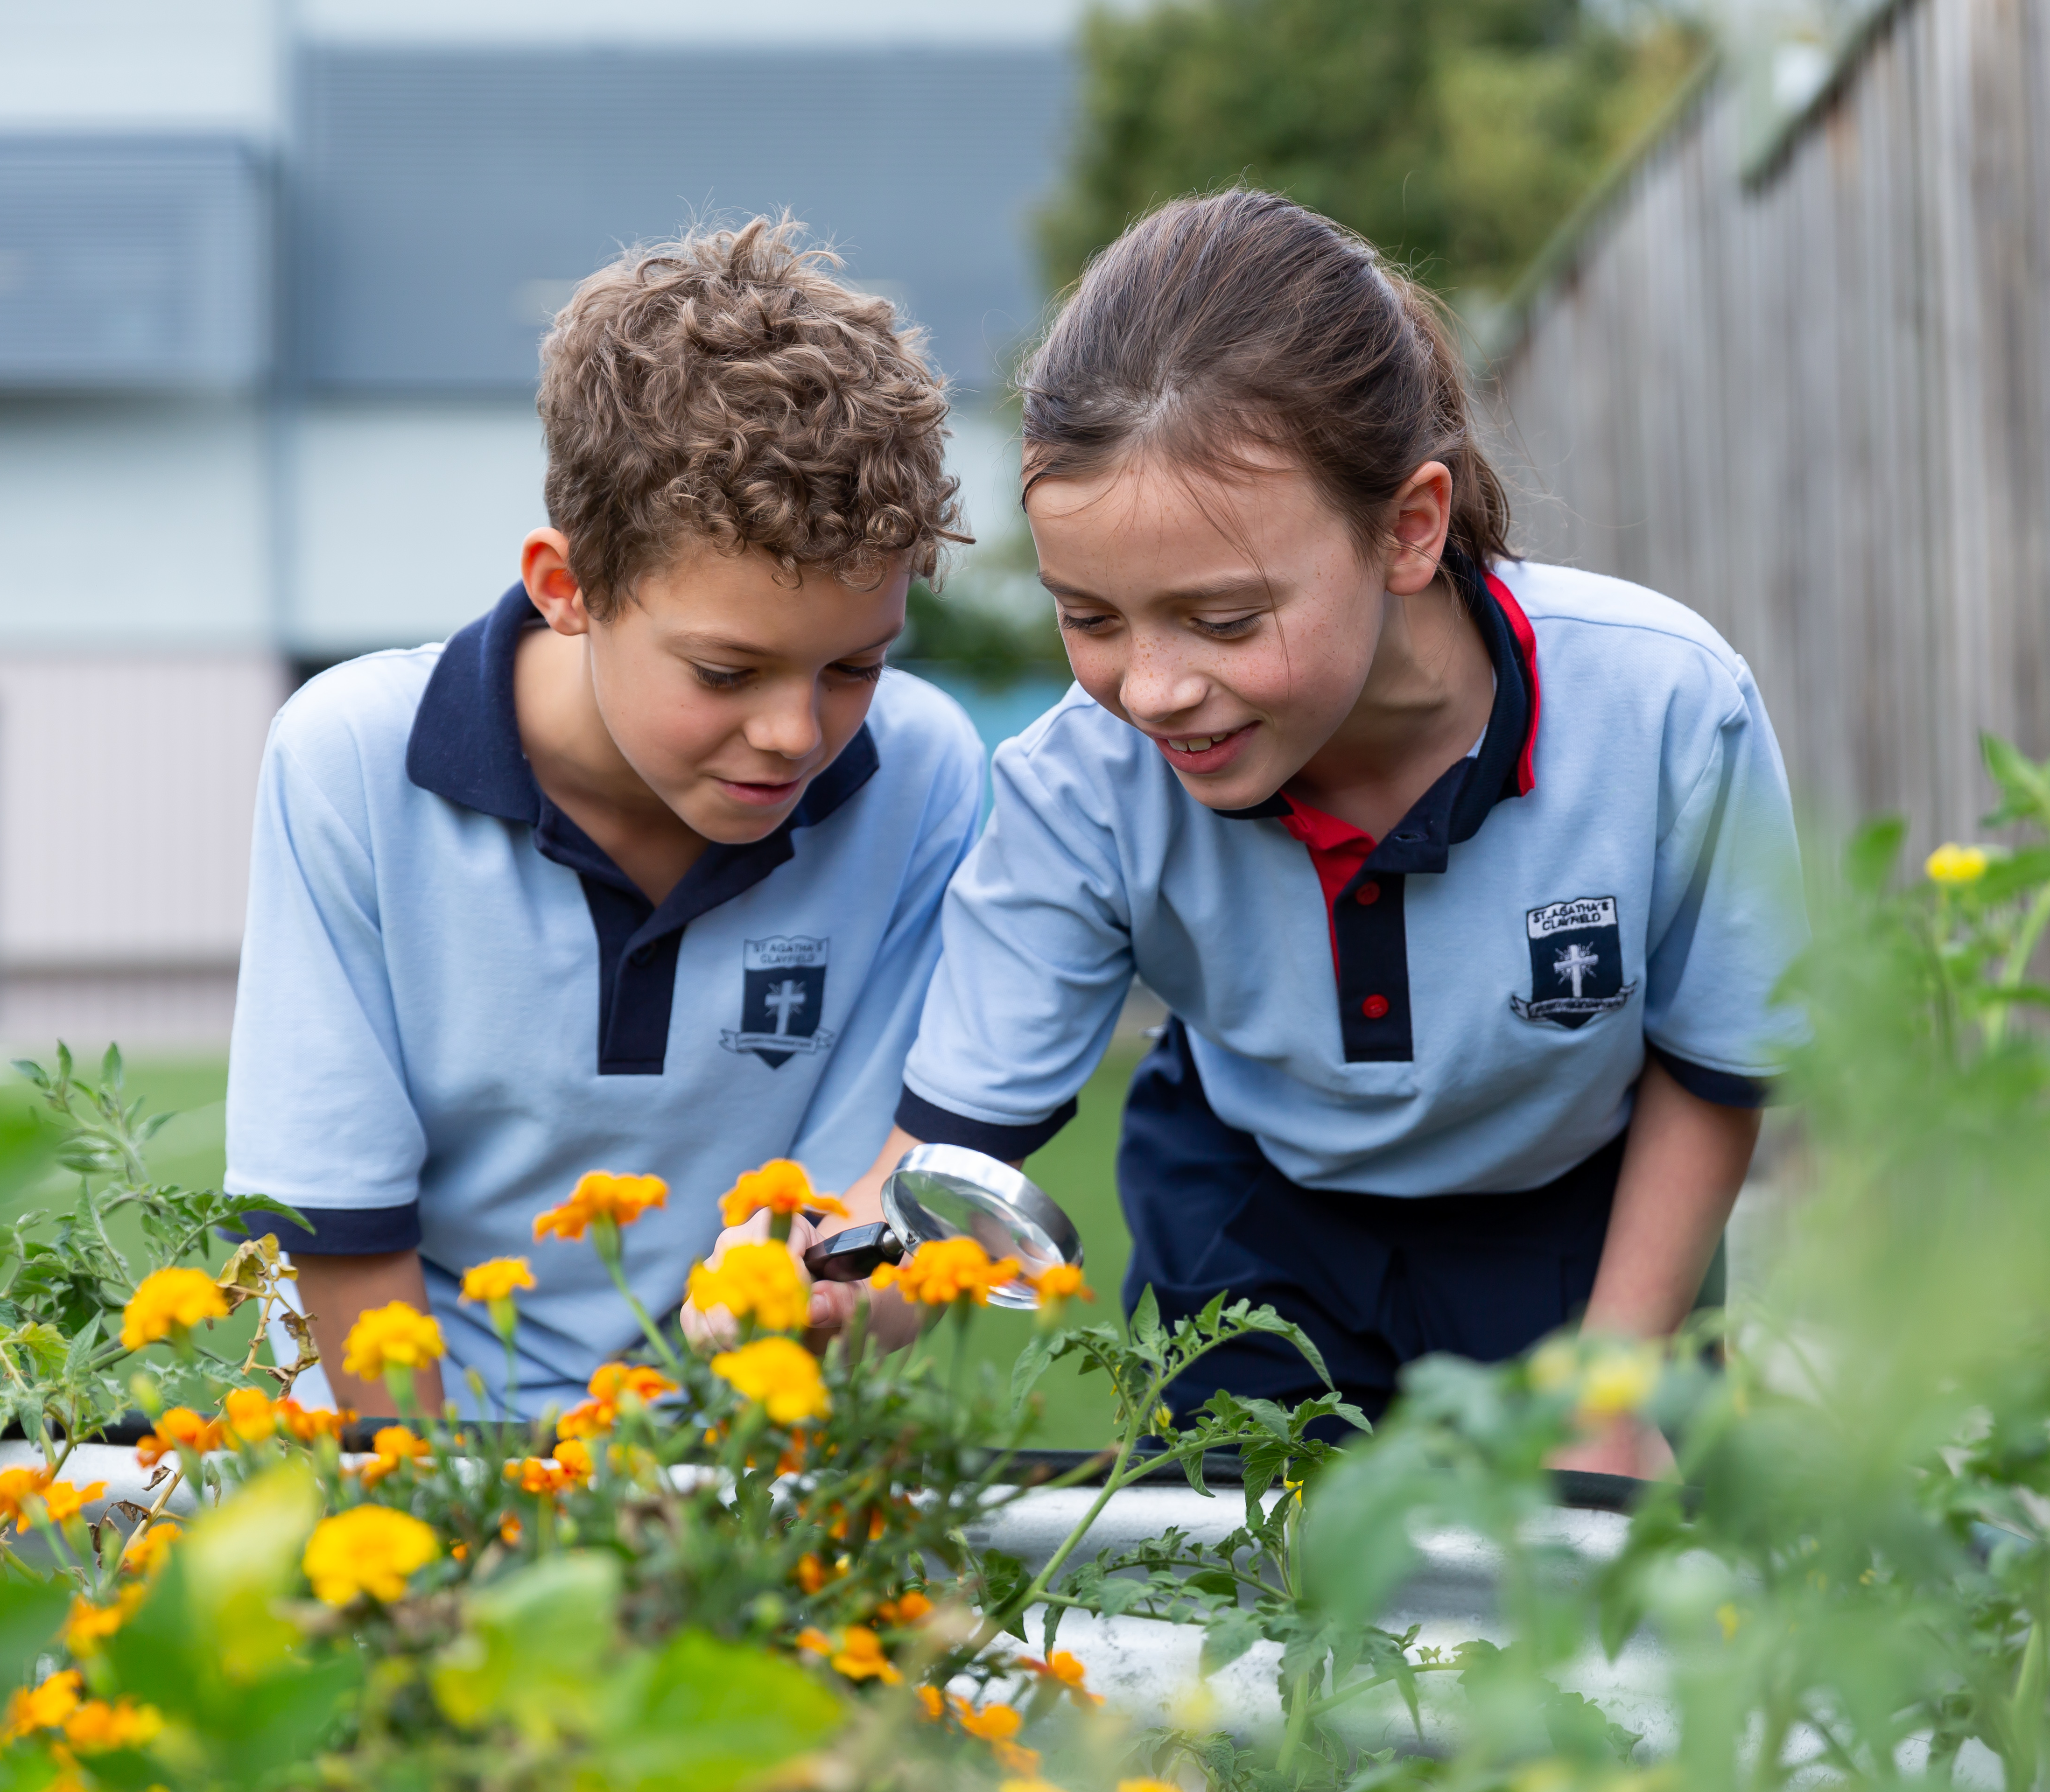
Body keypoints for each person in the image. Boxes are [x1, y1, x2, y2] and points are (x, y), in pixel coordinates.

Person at [692, 190, 1804, 1477]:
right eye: (1092, 619)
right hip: (1254, 1221)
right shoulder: (1082, 781)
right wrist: (824, 1287)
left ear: (1408, 528)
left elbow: (1717, 1068)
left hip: (1577, 1218)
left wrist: (1614, 1385)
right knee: (1247, 1601)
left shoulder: (1667, 704)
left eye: (1222, 621)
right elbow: (943, 1174)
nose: (1152, 688)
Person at [226, 217, 982, 1420]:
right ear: (566, 589)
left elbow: (867, 1223)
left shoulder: (924, 772)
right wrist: (442, 1557)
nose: (796, 733)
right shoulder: (350, 761)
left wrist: (838, 1291)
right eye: (728, 674)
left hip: (744, 1462)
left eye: (854, 668)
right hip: (413, 1450)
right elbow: (341, 1232)